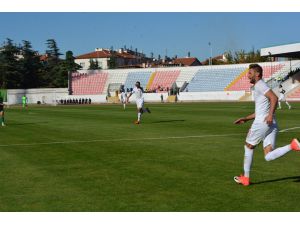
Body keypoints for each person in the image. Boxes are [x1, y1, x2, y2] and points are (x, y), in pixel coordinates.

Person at [233, 64, 300, 186]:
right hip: (271, 123)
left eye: (250, 73)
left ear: (257, 74)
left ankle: (246, 178)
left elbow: (274, 98)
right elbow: (260, 111)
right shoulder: (258, 86)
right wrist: (246, 118)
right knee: (268, 156)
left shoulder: (260, 85)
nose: (248, 75)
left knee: (248, 146)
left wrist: (269, 115)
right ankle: (293, 145)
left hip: (263, 123)